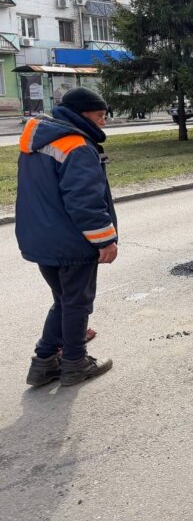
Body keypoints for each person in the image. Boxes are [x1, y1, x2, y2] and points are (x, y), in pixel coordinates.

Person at [17, 88, 117, 388]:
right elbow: (85, 201)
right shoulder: (77, 146)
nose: (104, 123)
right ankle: (74, 363)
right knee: (76, 303)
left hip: (39, 238)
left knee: (63, 301)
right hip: (72, 241)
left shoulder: (38, 141)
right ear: (83, 114)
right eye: (100, 116)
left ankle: (44, 363)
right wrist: (104, 240)